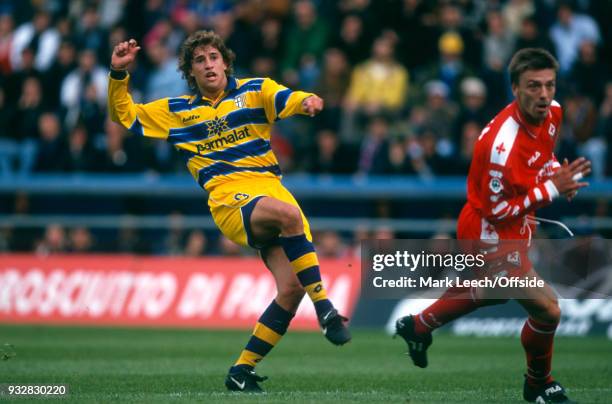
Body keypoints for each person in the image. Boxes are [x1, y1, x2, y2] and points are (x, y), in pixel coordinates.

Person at [108, 31, 350, 393]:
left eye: (213, 57)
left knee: (291, 289)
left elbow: (286, 97)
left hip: (270, 190)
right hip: (229, 200)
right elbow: (123, 115)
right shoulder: (177, 112)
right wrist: (118, 74)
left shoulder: (254, 90)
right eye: (199, 60)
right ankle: (326, 309)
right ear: (191, 72)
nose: (208, 65)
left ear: (225, 62)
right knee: (289, 217)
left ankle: (241, 371)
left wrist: (308, 101)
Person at [395, 48, 590, 403]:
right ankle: (539, 383)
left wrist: (554, 174)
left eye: (549, 85)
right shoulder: (501, 144)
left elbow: (540, 159)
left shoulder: (554, 112)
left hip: (512, 221)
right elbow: (497, 209)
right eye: (533, 86)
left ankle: (419, 325)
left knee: (496, 292)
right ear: (515, 88)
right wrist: (550, 189)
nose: (544, 94)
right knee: (548, 309)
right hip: (487, 228)